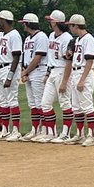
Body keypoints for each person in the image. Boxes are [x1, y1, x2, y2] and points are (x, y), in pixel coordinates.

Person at [38, 10, 74, 143]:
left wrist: (65, 81)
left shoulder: (67, 38)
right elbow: (50, 57)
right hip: (52, 71)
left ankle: (66, 133)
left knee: (64, 102)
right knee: (45, 104)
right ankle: (51, 133)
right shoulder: (51, 35)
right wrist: (47, 73)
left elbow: (68, 61)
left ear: (57, 22)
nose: (49, 22)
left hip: (62, 70)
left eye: (51, 20)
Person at [66, 14, 94, 146]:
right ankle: (80, 134)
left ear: (76, 25)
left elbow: (89, 60)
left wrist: (82, 80)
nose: (70, 28)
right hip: (75, 72)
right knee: (76, 107)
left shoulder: (88, 39)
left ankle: (91, 135)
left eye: (71, 26)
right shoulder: (78, 40)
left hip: (83, 72)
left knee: (86, 105)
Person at [0, 9, 23, 140]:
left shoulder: (14, 35)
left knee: (12, 100)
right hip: (1, 68)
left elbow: (16, 56)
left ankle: (15, 131)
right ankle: (5, 130)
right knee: (3, 102)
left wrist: (10, 76)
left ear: (4, 20)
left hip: (9, 67)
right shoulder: (2, 36)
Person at [18, 13, 47, 140]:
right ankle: (35, 129)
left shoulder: (41, 37)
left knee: (40, 102)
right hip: (30, 72)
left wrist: (25, 72)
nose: (23, 25)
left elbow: (37, 58)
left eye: (24, 23)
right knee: (32, 103)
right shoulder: (28, 38)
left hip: (39, 71)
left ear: (29, 23)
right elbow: (26, 57)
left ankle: (45, 130)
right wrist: (25, 71)